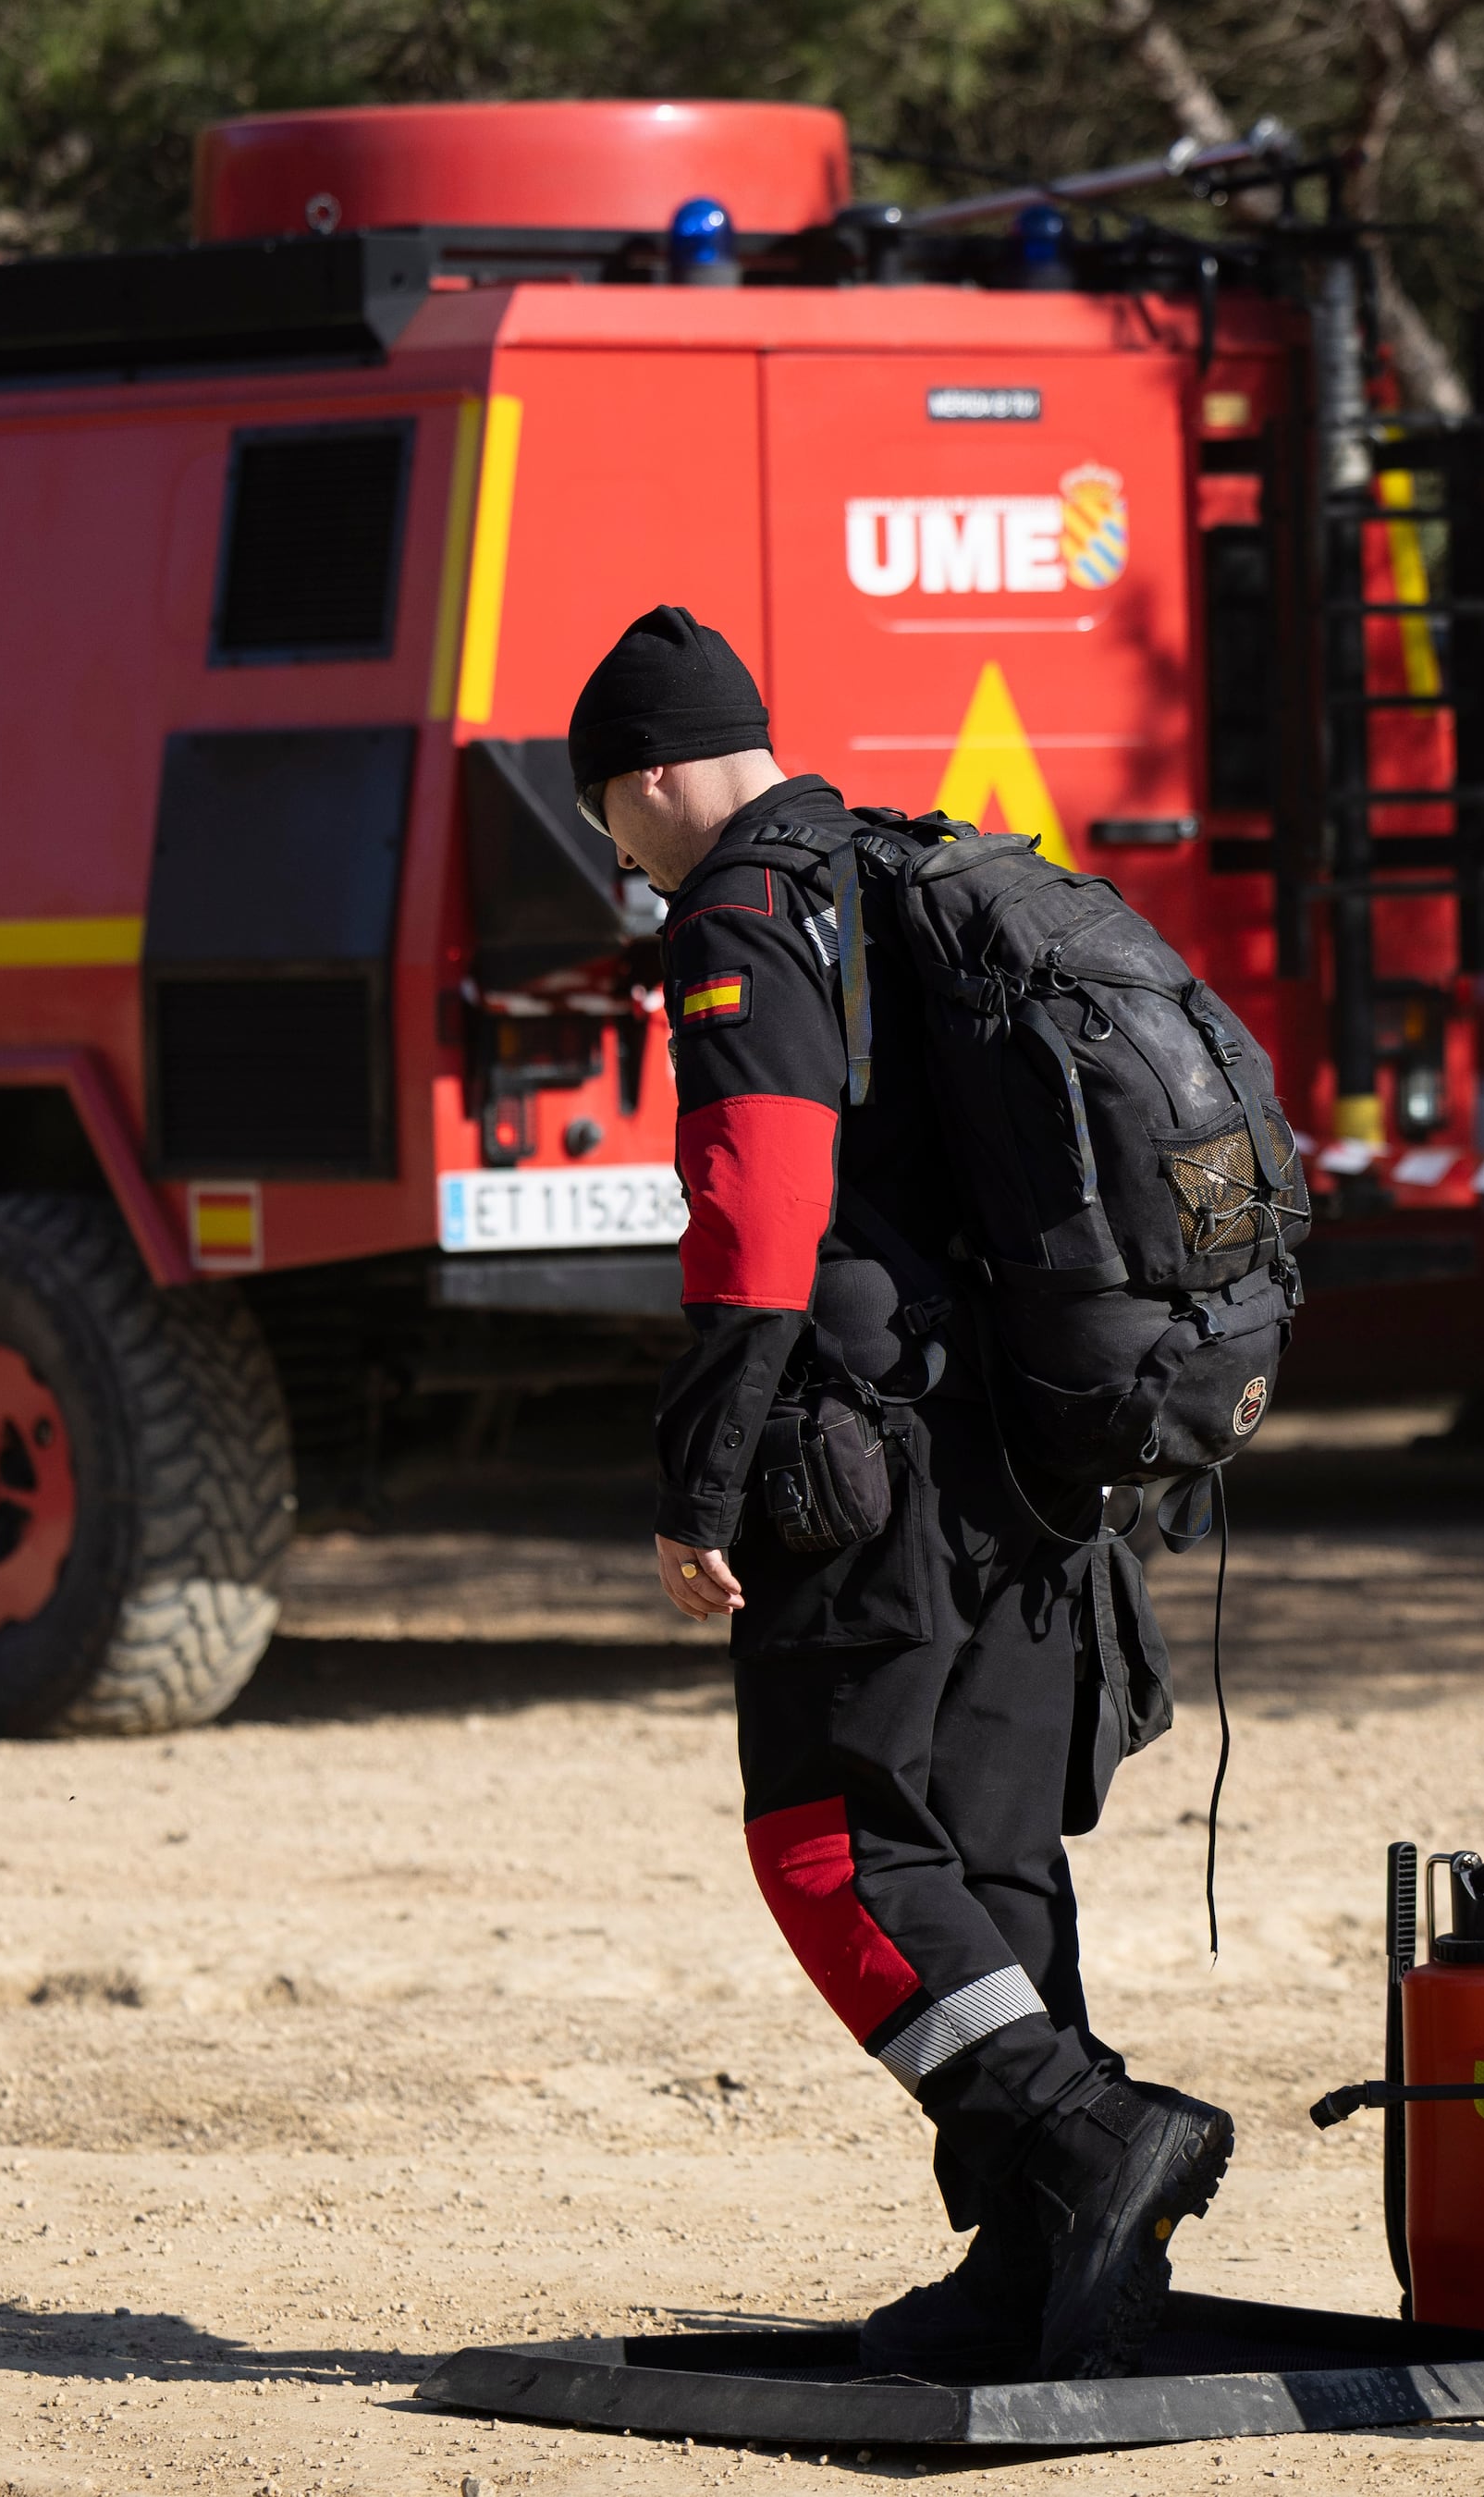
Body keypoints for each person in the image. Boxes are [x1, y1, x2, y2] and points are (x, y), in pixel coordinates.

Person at [570, 605, 1230, 2383]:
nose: (621, 859)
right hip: (1019, 1450)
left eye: (608, 818)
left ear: (649, 773)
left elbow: (761, 1198)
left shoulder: (743, 906)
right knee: (986, 1845)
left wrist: (704, 1470)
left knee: (830, 1840)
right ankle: (1041, 2267)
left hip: (858, 1454)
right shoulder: (892, 870)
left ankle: (1083, 2134)